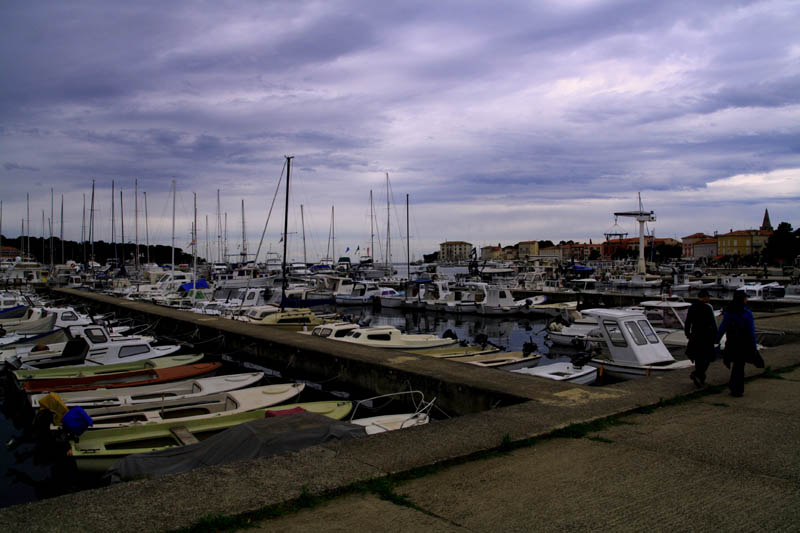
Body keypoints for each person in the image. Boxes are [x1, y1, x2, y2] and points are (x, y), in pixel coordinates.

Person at [717, 290, 758, 397]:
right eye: (745, 298)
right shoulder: (747, 313)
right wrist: (754, 346)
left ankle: (733, 385)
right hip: (743, 343)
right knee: (739, 366)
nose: (747, 300)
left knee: (736, 364)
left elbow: (722, 328)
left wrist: (717, 340)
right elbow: (751, 331)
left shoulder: (728, 312)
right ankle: (737, 389)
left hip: (731, 342)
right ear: (743, 300)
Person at [684, 289, 717, 387]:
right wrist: (715, 335)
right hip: (706, 337)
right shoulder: (707, 308)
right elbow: (712, 323)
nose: (709, 299)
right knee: (707, 358)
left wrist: (687, 333)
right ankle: (698, 374)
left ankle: (700, 376)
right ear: (705, 297)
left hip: (695, 336)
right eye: (708, 297)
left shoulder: (692, 307)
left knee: (698, 358)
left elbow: (688, 321)